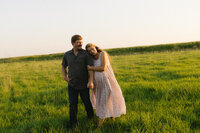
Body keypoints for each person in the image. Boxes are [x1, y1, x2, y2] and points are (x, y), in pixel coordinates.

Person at [85, 43, 126, 127]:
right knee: (103, 101)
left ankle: (99, 125)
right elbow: (91, 72)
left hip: (107, 82)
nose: (91, 51)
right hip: (98, 84)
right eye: (89, 51)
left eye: (92, 49)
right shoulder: (91, 58)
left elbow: (102, 68)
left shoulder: (103, 54)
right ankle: (111, 117)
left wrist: (91, 68)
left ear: (95, 47)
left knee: (104, 101)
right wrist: (91, 81)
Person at [61, 35, 94, 128]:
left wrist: (90, 81)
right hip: (72, 84)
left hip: (84, 84)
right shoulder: (67, 54)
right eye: (78, 42)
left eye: (81, 42)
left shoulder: (85, 54)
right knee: (72, 104)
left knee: (86, 102)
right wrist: (64, 76)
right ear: (73, 43)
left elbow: (91, 69)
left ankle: (91, 117)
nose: (81, 44)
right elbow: (63, 66)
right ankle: (73, 123)